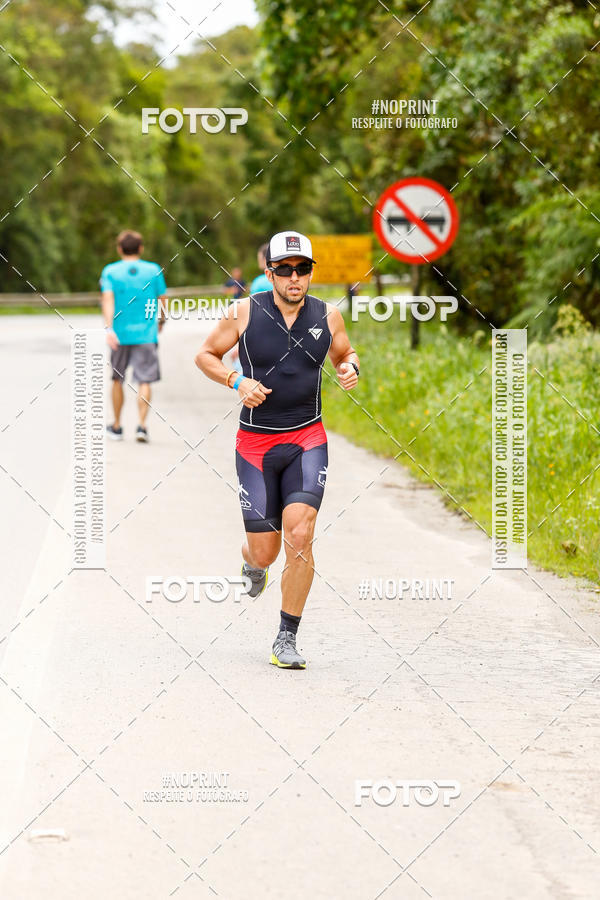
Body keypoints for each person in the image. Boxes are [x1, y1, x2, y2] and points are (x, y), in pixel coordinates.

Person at [195, 231, 360, 669]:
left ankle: (286, 637)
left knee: (301, 535)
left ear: (309, 273)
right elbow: (206, 356)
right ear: (269, 272)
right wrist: (236, 380)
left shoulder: (329, 316)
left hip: (307, 439)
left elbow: (345, 352)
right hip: (254, 444)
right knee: (265, 552)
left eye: (302, 269)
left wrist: (349, 367)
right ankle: (252, 562)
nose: (294, 277)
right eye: (284, 269)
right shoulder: (244, 312)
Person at [100, 230, 167, 443]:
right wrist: (161, 322)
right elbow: (163, 299)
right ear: (141, 248)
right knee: (144, 379)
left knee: (117, 379)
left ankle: (117, 426)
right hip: (146, 334)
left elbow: (108, 299)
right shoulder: (153, 270)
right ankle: (142, 426)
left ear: (120, 249)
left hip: (120, 335)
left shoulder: (110, 271)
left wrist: (109, 328)